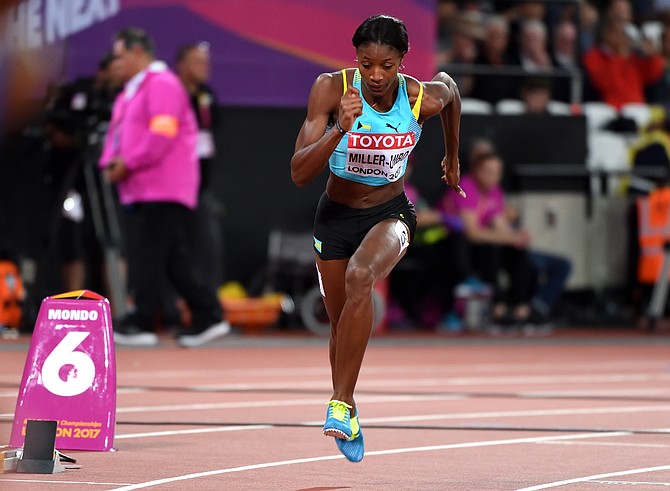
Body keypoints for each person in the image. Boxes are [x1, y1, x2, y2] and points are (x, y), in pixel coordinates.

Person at [290, 14, 463, 462]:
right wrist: (338, 130)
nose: (376, 76)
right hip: (334, 217)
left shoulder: (420, 98)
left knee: (362, 276)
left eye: (386, 65)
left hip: (390, 213)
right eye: (367, 65)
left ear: (402, 62)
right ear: (356, 61)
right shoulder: (331, 90)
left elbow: (452, 91)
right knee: (340, 320)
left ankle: (341, 403)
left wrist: (451, 156)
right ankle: (346, 402)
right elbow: (299, 173)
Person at [99, 27, 230, 348]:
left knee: (147, 254)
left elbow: (162, 133)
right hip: (142, 187)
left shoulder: (163, 85)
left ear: (138, 53)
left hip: (163, 187)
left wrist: (126, 163)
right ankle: (207, 314)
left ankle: (141, 321)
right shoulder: (132, 91)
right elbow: (116, 133)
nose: (116, 63)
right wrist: (108, 162)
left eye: (120, 56)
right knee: (170, 257)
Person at [439, 151, 537, 332]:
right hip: (453, 247)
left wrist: (516, 237)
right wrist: (510, 237)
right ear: (477, 171)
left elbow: (499, 225)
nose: (494, 177)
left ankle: (521, 310)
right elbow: (473, 233)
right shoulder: (464, 187)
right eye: (489, 172)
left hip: (480, 246)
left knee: (518, 254)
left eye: (498, 172)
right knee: (491, 252)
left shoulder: (495, 192)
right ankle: (497, 310)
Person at [175, 42, 225, 295]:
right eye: (198, 62)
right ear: (182, 65)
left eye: (206, 62)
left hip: (200, 186)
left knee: (206, 245)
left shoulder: (207, 96)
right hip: (171, 187)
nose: (204, 68)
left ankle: (207, 303)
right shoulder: (170, 94)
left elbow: (208, 131)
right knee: (172, 246)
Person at [582, 17, 664, 109]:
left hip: (638, 107)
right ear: (606, 34)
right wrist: (618, 56)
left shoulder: (632, 58)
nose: (622, 37)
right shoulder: (594, 55)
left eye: (623, 33)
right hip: (613, 110)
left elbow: (653, 74)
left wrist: (652, 56)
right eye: (618, 33)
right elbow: (603, 83)